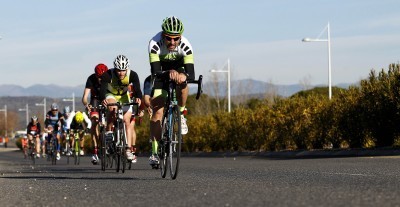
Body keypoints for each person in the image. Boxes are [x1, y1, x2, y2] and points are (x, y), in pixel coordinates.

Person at [148, 16, 195, 164]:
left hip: (179, 69)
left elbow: (191, 73)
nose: (173, 42)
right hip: (161, 73)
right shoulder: (154, 44)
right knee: (158, 112)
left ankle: (180, 113)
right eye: (169, 38)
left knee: (183, 83)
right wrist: (168, 73)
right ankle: (155, 152)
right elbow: (155, 71)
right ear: (163, 35)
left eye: (176, 39)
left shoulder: (186, 46)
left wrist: (182, 75)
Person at [100, 55, 142, 162]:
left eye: (123, 70)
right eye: (119, 70)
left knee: (127, 121)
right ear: (115, 69)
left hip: (124, 96)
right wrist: (102, 99)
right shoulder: (107, 74)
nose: (121, 73)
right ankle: (109, 131)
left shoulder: (132, 74)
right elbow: (103, 90)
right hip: (111, 95)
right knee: (112, 109)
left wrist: (138, 98)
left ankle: (128, 149)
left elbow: (137, 89)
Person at [82, 63, 108, 164]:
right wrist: (86, 104)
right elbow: (85, 97)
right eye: (99, 77)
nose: (100, 79)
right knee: (94, 121)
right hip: (95, 100)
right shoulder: (91, 79)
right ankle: (95, 150)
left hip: (106, 99)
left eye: (102, 77)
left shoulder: (109, 77)